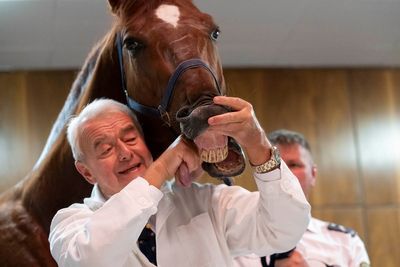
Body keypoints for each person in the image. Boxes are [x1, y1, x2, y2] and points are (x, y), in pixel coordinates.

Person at [48, 97, 311, 267]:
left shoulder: (207, 202)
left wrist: (258, 145)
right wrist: (163, 166)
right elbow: (92, 259)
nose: (125, 153)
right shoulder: (71, 223)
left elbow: (284, 230)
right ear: (86, 173)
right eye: (105, 149)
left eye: (130, 139)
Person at [234, 129, 370, 267]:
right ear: (260, 173)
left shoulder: (346, 242)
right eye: (278, 165)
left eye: (294, 165)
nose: (285, 173)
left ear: (313, 174)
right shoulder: (235, 239)